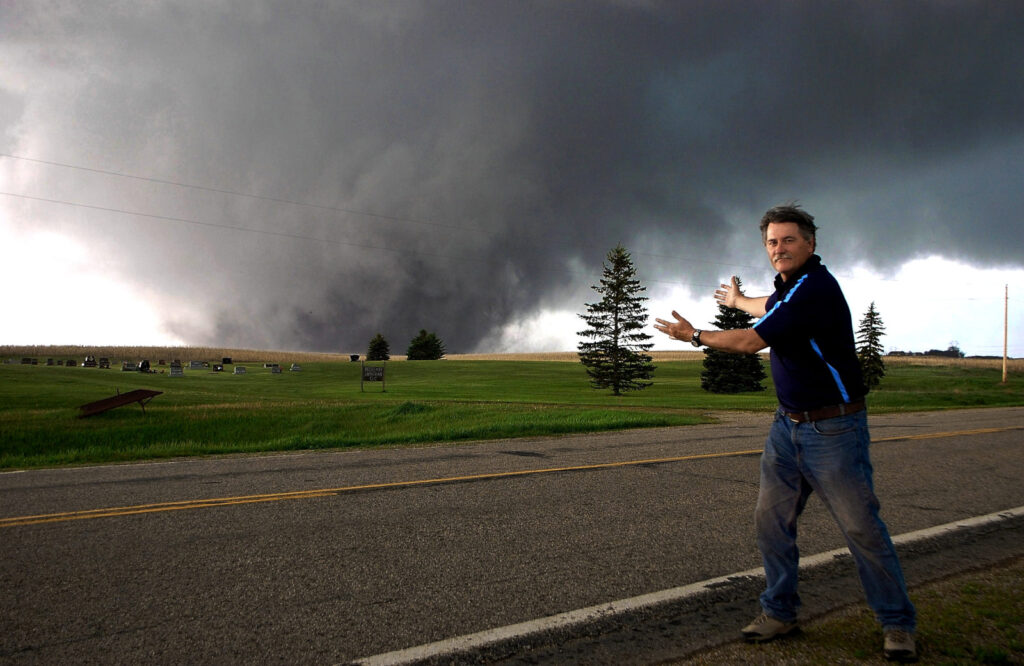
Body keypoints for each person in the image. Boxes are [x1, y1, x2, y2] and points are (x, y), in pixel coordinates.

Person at [654, 204, 917, 662]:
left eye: (788, 240)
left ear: (811, 243)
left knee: (861, 528)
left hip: (834, 428)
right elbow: (767, 306)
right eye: (772, 242)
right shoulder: (790, 289)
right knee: (771, 522)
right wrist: (737, 301)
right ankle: (780, 611)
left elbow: (752, 339)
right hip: (787, 427)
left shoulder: (815, 288)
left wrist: (694, 335)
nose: (779, 249)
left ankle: (897, 624)